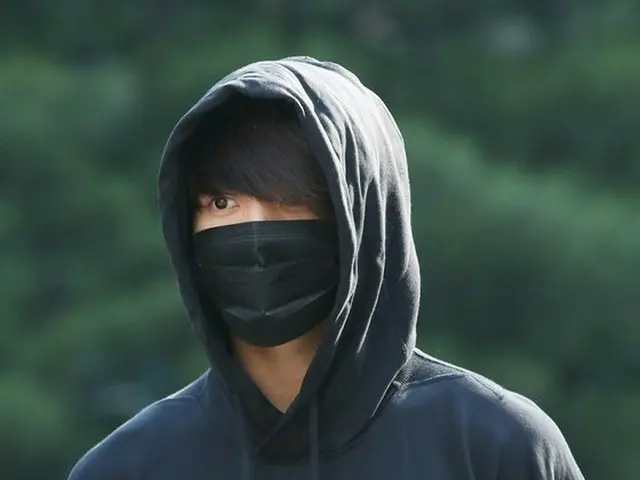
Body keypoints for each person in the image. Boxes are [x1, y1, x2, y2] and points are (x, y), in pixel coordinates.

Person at [68, 56, 584, 479]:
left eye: (289, 199)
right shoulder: (128, 468)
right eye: (222, 203)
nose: (256, 235)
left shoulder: (493, 447)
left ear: (362, 214)